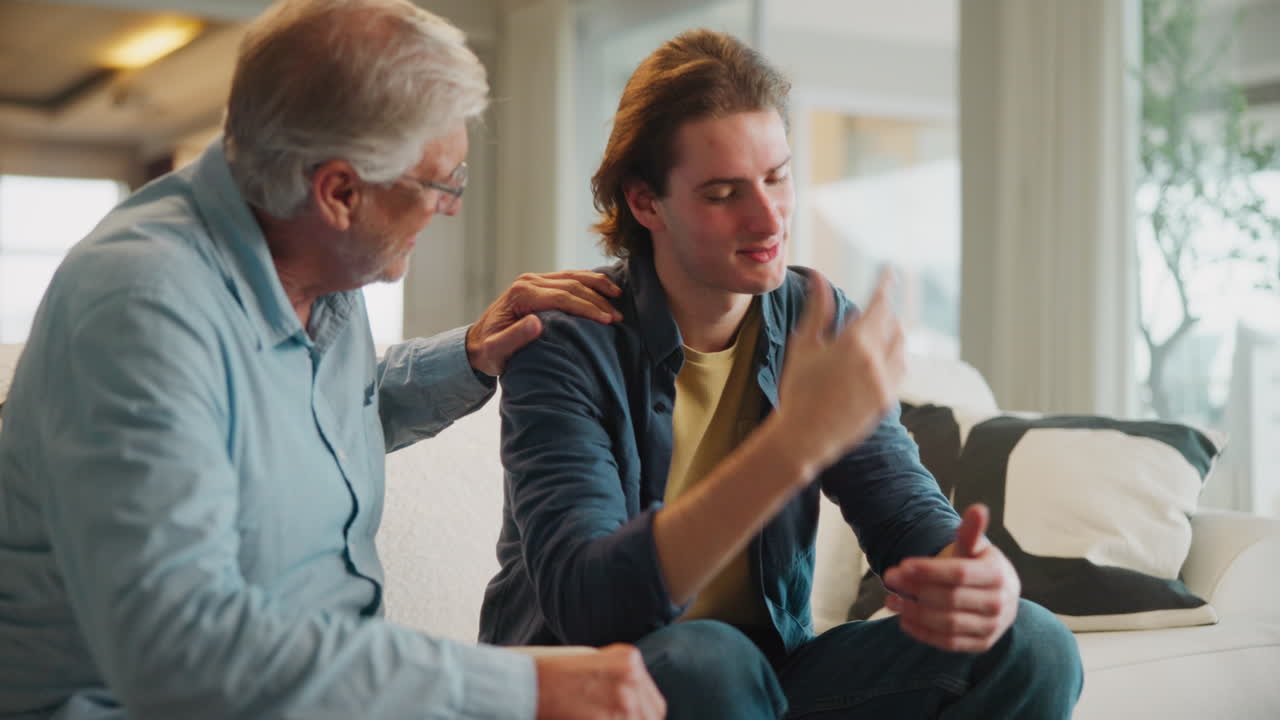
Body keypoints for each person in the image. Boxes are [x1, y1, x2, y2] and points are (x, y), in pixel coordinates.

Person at [0, 1, 665, 718]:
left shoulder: (307, 260)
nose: (450, 208)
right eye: (443, 183)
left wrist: (472, 355)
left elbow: (299, 421)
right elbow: (183, 653)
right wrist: (519, 688)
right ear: (341, 192)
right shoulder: (139, 306)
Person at [479, 29, 1083, 719]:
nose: (768, 216)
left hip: (765, 682)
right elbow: (589, 607)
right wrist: (791, 445)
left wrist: (982, 580)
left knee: (1033, 642)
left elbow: (902, 513)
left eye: (777, 176)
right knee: (707, 658)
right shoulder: (564, 342)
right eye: (723, 192)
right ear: (646, 203)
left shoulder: (813, 319)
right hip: (595, 689)